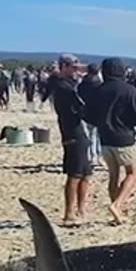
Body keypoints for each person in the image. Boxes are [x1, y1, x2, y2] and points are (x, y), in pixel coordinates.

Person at [83, 57, 136, 225]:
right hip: (124, 137)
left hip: (104, 137)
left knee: (114, 175)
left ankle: (117, 211)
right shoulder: (129, 90)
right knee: (133, 172)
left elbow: (88, 115)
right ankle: (118, 205)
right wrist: (128, 122)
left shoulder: (98, 90)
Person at [48, 54, 92, 225]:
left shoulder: (69, 84)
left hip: (79, 131)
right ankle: (69, 213)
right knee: (75, 173)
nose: (76, 71)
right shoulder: (63, 87)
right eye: (73, 68)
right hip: (72, 132)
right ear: (64, 67)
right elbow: (78, 108)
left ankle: (81, 209)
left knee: (86, 173)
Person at [79, 63, 104, 164]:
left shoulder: (82, 84)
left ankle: (91, 155)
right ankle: (97, 155)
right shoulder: (100, 85)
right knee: (97, 135)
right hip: (98, 111)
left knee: (89, 134)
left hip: (85, 111)